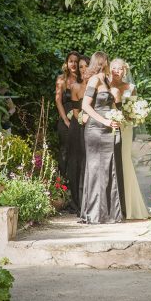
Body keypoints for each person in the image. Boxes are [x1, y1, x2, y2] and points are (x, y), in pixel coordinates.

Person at [80, 51, 125, 224]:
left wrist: (116, 118)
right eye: (107, 61)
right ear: (102, 61)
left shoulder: (106, 80)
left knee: (107, 170)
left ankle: (108, 214)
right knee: (96, 170)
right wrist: (105, 121)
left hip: (108, 130)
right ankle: (94, 213)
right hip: (95, 130)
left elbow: (112, 105)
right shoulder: (95, 80)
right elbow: (85, 106)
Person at [110, 58, 149, 219]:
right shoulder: (106, 86)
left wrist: (133, 114)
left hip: (125, 127)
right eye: (114, 68)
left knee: (125, 159)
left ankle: (130, 205)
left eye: (120, 69)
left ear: (125, 71)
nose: (117, 71)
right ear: (110, 69)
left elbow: (133, 109)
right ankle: (114, 204)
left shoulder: (131, 87)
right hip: (109, 126)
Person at [66, 54, 90, 213]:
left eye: (85, 66)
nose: (82, 70)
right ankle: (78, 202)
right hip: (78, 128)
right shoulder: (75, 87)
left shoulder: (98, 86)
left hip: (94, 128)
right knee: (78, 164)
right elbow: (76, 112)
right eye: (80, 67)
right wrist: (84, 122)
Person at [55, 51, 81, 178]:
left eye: (76, 61)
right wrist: (65, 119)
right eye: (71, 61)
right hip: (65, 117)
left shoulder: (82, 79)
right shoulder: (61, 79)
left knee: (78, 150)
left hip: (79, 118)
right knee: (64, 149)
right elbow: (58, 100)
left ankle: (77, 181)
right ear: (67, 63)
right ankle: (62, 183)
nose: (74, 64)